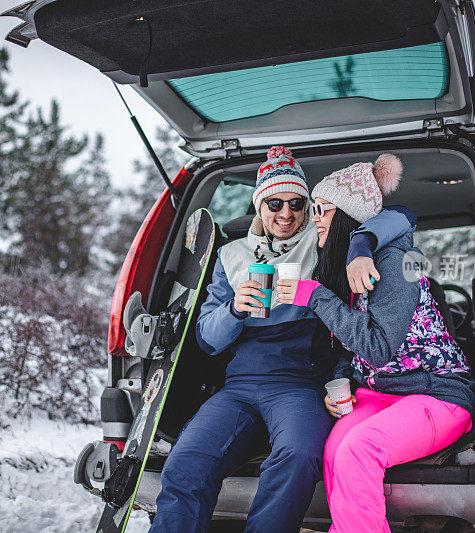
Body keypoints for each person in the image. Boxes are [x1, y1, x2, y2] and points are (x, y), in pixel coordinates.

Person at [149, 147, 417, 532]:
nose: (286, 213)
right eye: (274, 202)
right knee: (186, 460)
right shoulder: (231, 256)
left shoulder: (324, 238)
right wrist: (234, 310)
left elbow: (402, 216)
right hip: (239, 386)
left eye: (296, 203)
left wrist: (360, 245)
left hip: (300, 384)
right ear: (259, 205)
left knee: (297, 455)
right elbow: (206, 341)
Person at [277, 154, 475, 533]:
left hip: (436, 395)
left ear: (347, 216)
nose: (314, 218)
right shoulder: (349, 270)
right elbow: (349, 351)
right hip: (381, 392)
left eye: (322, 209)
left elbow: (379, 349)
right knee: (334, 451)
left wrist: (316, 296)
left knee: (357, 449)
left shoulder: (393, 265)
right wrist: (341, 384)